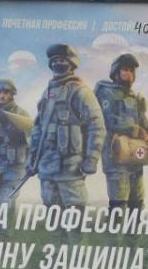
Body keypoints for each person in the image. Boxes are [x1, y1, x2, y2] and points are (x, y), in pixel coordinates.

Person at [27, 44, 105, 210]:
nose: (57, 64)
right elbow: (37, 130)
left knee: (74, 213)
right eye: (54, 61)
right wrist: (32, 158)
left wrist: (91, 159)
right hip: (46, 166)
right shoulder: (46, 93)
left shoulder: (81, 91)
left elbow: (97, 126)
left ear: (71, 63)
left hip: (72, 167)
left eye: (62, 60)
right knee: (52, 214)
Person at [94, 53, 148, 211]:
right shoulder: (106, 93)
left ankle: (134, 234)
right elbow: (109, 119)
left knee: (137, 199)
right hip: (115, 152)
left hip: (135, 153)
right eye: (125, 69)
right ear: (116, 72)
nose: (128, 73)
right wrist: (137, 130)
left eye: (131, 70)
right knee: (119, 201)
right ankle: (116, 235)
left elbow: (141, 117)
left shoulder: (134, 97)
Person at [0, 79, 30, 216]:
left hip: (14, 164)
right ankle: (4, 232)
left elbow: (31, 137)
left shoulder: (20, 114)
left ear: (12, 94)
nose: (1, 95)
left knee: (7, 199)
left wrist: (11, 128)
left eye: (5, 92)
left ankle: (6, 233)